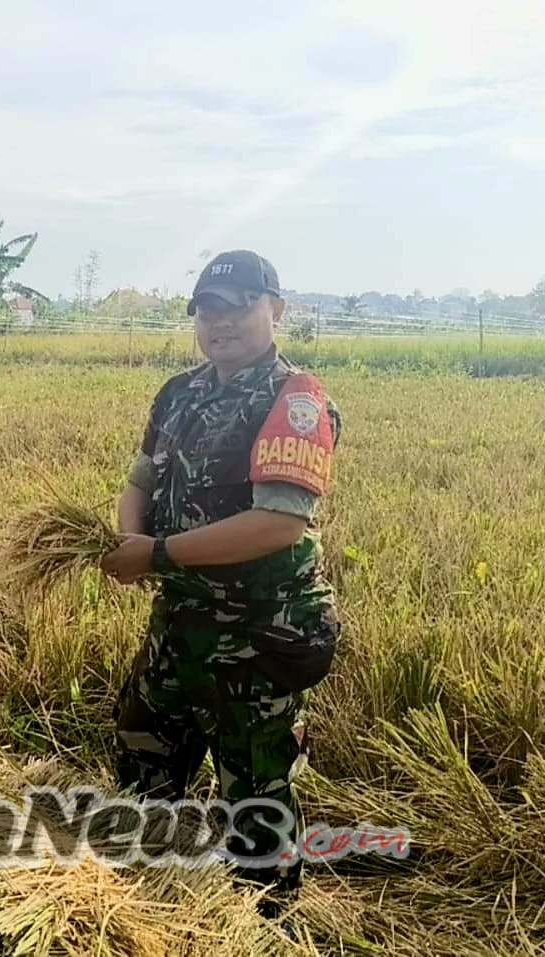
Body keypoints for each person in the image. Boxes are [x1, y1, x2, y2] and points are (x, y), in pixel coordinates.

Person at [100, 250, 343, 901]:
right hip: (179, 629)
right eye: (207, 311)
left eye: (236, 308)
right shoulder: (178, 393)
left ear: (276, 310)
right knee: (141, 773)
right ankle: (143, 913)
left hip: (257, 641)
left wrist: (154, 554)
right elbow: (141, 479)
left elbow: (278, 523)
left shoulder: (295, 401)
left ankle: (267, 927)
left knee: (256, 803)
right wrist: (129, 536)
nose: (220, 323)